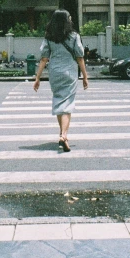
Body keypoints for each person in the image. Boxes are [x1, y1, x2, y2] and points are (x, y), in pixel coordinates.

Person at [33, 10, 89, 152]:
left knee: (59, 101)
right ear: (66, 20)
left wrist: (37, 77)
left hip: (55, 72)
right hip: (70, 72)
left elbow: (44, 58)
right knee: (67, 104)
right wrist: (85, 76)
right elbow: (80, 57)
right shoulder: (74, 36)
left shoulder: (49, 37)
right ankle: (64, 136)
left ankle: (61, 134)